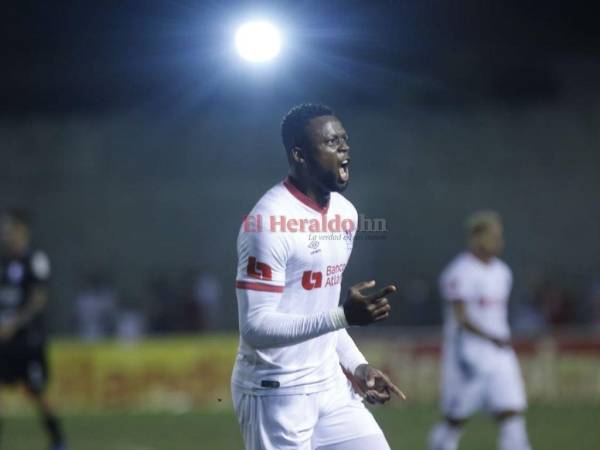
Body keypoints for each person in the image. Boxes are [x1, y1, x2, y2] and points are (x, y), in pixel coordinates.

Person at [232, 103, 404, 450]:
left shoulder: (345, 214)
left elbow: (320, 309)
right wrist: (344, 315)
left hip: (329, 384)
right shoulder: (268, 223)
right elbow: (255, 326)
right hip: (276, 391)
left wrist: (357, 365)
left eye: (344, 139)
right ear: (300, 155)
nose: (344, 148)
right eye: (331, 142)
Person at [428, 210, 531, 450]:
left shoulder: (503, 272)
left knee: (512, 413)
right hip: (467, 355)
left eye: (500, 236)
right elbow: (462, 319)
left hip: (500, 353)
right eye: (493, 236)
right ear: (476, 238)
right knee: (456, 419)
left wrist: (499, 339)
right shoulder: (459, 272)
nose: (499, 242)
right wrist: (492, 337)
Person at [0, 209, 66, 450]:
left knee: (38, 391)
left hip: (29, 339)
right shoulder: (4, 263)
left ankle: (58, 440)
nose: (4, 233)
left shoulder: (35, 259)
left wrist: (14, 323)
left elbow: (39, 299)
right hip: (4, 341)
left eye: (8, 228)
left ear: (21, 230)